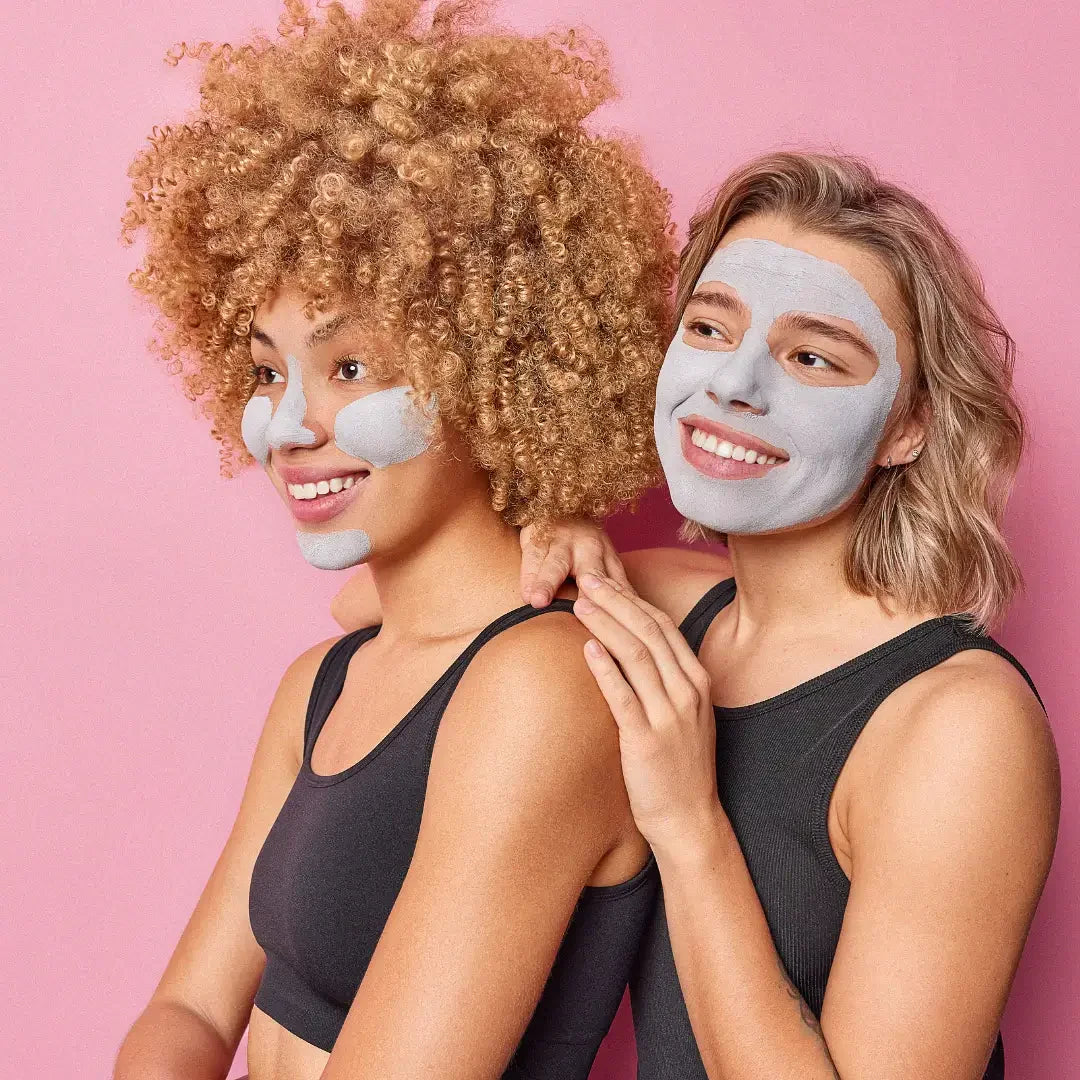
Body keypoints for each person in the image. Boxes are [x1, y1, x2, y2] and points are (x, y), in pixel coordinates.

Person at [334, 151, 1061, 1079]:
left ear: (908, 426)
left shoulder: (959, 726)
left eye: (811, 356)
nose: (734, 384)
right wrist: (550, 531)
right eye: (710, 328)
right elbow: (373, 605)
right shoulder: (665, 602)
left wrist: (687, 823)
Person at [112, 2, 678, 1078]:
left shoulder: (543, 686)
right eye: (267, 370)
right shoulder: (322, 685)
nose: (291, 424)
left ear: (492, 371)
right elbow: (186, 1009)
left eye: (352, 368)